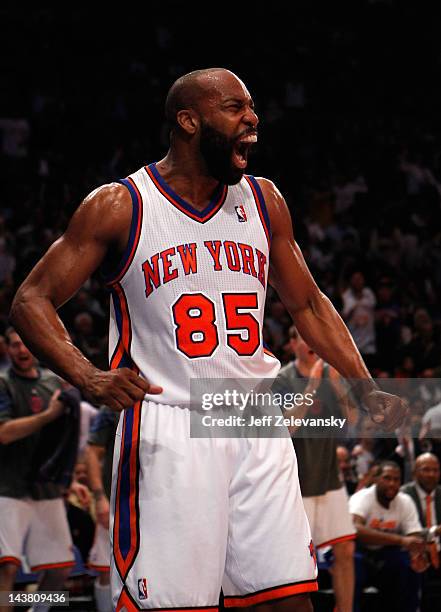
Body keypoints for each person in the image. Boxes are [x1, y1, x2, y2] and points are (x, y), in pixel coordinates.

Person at [10, 68, 407, 612]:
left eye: (252, 107)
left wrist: (364, 385)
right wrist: (88, 376)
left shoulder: (264, 201)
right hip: (172, 425)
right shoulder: (121, 205)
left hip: (255, 422)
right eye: (235, 107)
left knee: (288, 600)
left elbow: (309, 303)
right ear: (189, 120)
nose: (252, 118)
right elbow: (30, 300)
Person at [273, 326, 357, 612]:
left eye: (313, 336)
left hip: (329, 477)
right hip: (296, 482)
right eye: (303, 337)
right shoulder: (283, 379)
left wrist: (337, 386)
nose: (311, 341)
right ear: (292, 343)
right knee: (297, 563)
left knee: (346, 549)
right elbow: (286, 426)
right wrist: (310, 389)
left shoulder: (330, 375)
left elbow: (353, 418)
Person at [0, 328, 75, 612]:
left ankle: (33, 609)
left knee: (60, 572)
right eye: (15, 345)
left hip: (47, 489)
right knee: (7, 567)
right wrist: (47, 415)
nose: (22, 350)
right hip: (9, 487)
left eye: (26, 344)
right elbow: (4, 433)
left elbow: (68, 435)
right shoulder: (3, 383)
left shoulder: (52, 383)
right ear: (6, 349)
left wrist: (67, 477)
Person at [349, 461, 426, 612]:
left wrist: (417, 554)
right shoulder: (362, 498)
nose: (392, 483)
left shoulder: (405, 501)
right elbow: (355, 529)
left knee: (409, 566)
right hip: (359, 551)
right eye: (387, 478)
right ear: (376, 479)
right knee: (352, 567)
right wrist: (400, 540)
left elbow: (414, 536)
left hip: (387, 553)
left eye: (396, 480)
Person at [85, 406, 119, 612]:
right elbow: (92, 452)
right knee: (107, 569)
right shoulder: (112, 407)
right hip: (115, 499)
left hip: (158, 503)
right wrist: (99, 497)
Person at [401, 453, 441, 610]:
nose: (431, 474)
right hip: (417, 549)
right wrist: (434, 531)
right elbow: (406, 531)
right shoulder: (403, 494)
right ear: (415, 472)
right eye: (426, 469)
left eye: (436, 470)